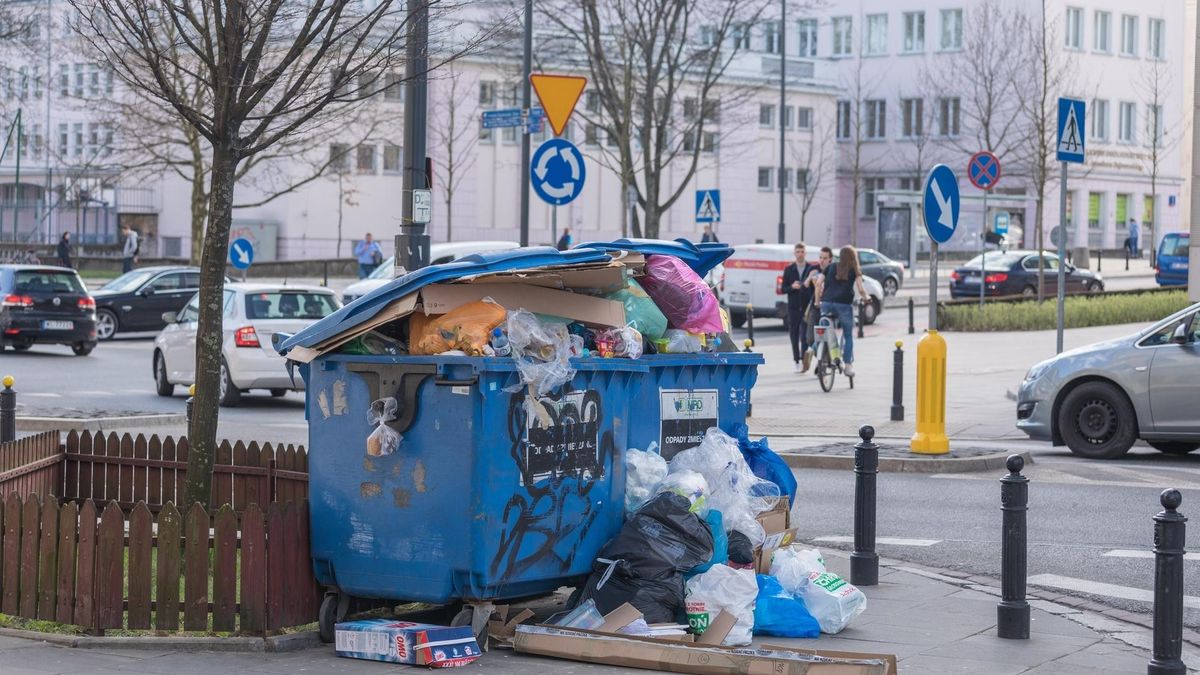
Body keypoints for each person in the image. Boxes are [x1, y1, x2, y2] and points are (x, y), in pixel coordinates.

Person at [813, 245, 870, 378]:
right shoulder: (854, 270)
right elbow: (861, 289)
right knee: (848, 334)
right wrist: (867, 297)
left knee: (824, 332)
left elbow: (818, 284)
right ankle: (848, 365)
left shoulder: (830, 267)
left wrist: (817, 302)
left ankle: (818, 351)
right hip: (844, 305)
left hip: (826, 304)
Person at [781, 242, 818, 373]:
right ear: (795, 253)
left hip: (806, 307)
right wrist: (792, 287)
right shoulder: (789, 269)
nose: (800, 254)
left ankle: (803, 360)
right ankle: (796, 360)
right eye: (798, 252)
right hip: (793, 307)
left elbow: (815, 287)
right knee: (794, 335)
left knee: (804, 336)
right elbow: (783, 289)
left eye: (802, 252)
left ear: (805, 253)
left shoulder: (811, 268)